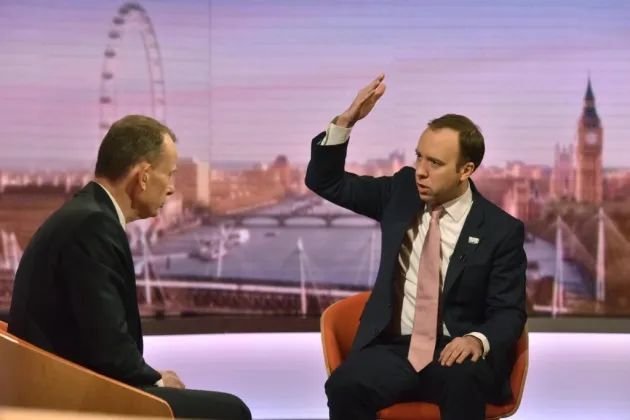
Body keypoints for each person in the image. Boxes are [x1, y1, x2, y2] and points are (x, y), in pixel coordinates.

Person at [305, 75, 526, 420]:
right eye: (419, 157)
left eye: (434, 163)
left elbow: (509, 313)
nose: (420, 171)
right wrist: (346, 121)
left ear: (466, 170)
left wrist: (476, 340)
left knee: (465, 381)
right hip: (394, 348)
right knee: (344, 386)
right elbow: (325, 181)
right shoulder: (400, 193)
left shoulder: (501, 230)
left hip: (456, 352)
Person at [8, 115, 251, 420]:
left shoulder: (85, 214)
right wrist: (156, 381)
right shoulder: (94, 225)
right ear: (143, 176)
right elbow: (107, 348)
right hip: (69, 398)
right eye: (170, 175)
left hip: (64, 384)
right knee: (232, 411)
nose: (172, 188)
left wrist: (149, 377)